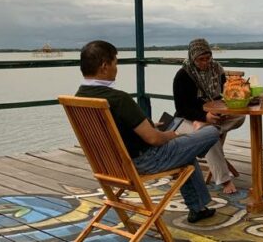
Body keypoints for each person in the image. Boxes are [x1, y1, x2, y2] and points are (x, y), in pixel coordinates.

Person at [75, 40, 219, 223]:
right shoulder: (119, 99)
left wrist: (150, 126)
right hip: (145, 161)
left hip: (110, 165)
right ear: (104, 66)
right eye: (115, 63)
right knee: (211, 132)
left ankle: (198, 208)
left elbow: (119, 128)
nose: (116, 68)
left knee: (186, 151)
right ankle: (198, 205)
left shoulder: (79, 98)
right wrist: (172, 135)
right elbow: (154, 139)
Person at [173, 38, 246, 194]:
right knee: (210, 137)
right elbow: (181, 108)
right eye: (200, 59)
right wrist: (203, 117)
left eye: (208, 58)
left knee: (240, 116)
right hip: (186, 119)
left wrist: (222, 112)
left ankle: (208, 128)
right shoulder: (183, 76)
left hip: (214, 115)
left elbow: (224, 95)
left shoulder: (216, 69)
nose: (205, 62)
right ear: (193, 58)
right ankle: (225, 181)